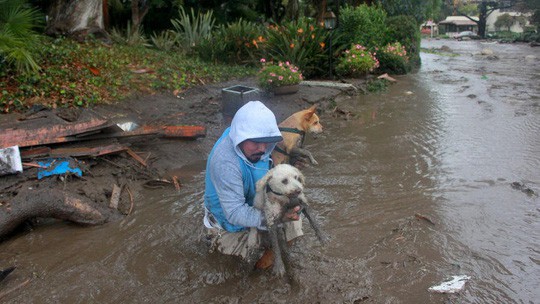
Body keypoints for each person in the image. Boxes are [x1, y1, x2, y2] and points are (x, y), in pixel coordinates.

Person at [203, 100, 303, 268]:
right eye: (256, 143)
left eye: (266, 141)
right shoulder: (225, 163)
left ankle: (274, 255)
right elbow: (234, 213)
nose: (262, 149)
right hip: (228, 223)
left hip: (254, 205)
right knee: (247, 267)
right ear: (240, 137)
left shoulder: (259, 146)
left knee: (294, 218)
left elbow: (272, 175)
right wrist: (275, 218)